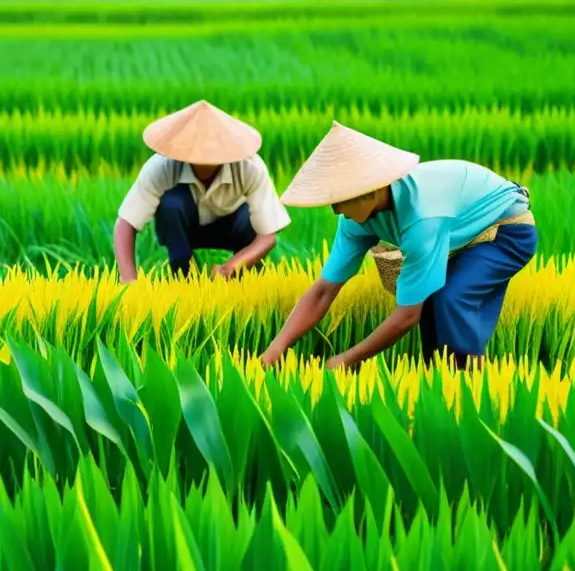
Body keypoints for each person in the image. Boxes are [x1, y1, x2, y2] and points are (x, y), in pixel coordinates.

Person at [261, 122, 538, 371]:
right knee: (432, 305)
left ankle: (473, 389)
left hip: (507, 231)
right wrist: (275, 350)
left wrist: (348, 359)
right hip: (458, 236)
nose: (335, 210)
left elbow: (407, 315)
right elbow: (323, 291)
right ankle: (439, 382)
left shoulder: (422, 217)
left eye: (340, 199)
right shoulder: (354, 219)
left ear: (369, 191)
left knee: (452, 300)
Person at [114, 100, 291, 282]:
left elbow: (267, 236)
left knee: (249, 221)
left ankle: (246, 284)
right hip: (184, 227)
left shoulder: (250, 167)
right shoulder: (161, 167)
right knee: (171, 205)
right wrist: (129, 281)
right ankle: (184, 279)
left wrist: (231, 266)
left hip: (234, 226)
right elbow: (126, 223)